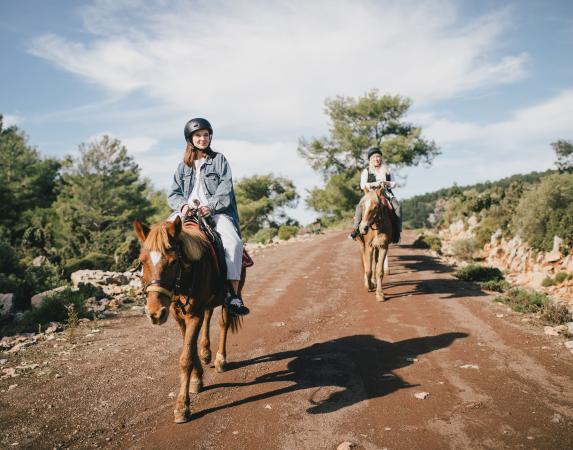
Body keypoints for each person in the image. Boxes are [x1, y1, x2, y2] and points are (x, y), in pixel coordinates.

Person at [167, 118, 249, 316]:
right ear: (190, 139)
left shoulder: (219, 160)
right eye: (198, 135)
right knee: (159, 237)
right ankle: (156, 288)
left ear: (210, 136)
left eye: (205, 135)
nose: (202, 139)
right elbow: (173, 193)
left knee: (234, 243)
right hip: (186, 211)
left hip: (216, 212)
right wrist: (183, 205)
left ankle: (233, 294)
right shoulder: (182, 167)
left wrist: (210, 207)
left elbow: (225, 188)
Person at [348, 146, 402, 241]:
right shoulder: (366, 171)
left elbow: (394, 183)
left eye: (378, 156)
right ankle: (356, 229)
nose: (376, 159)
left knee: (397, 207)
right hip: (370, 193)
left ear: (381, 158)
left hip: (385, 192)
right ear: (370, 160)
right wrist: (375, 184)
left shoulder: (387, 170)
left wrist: (386, 183)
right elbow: (362, 185)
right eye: (373, 157)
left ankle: (397, 231)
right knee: (359, 206)